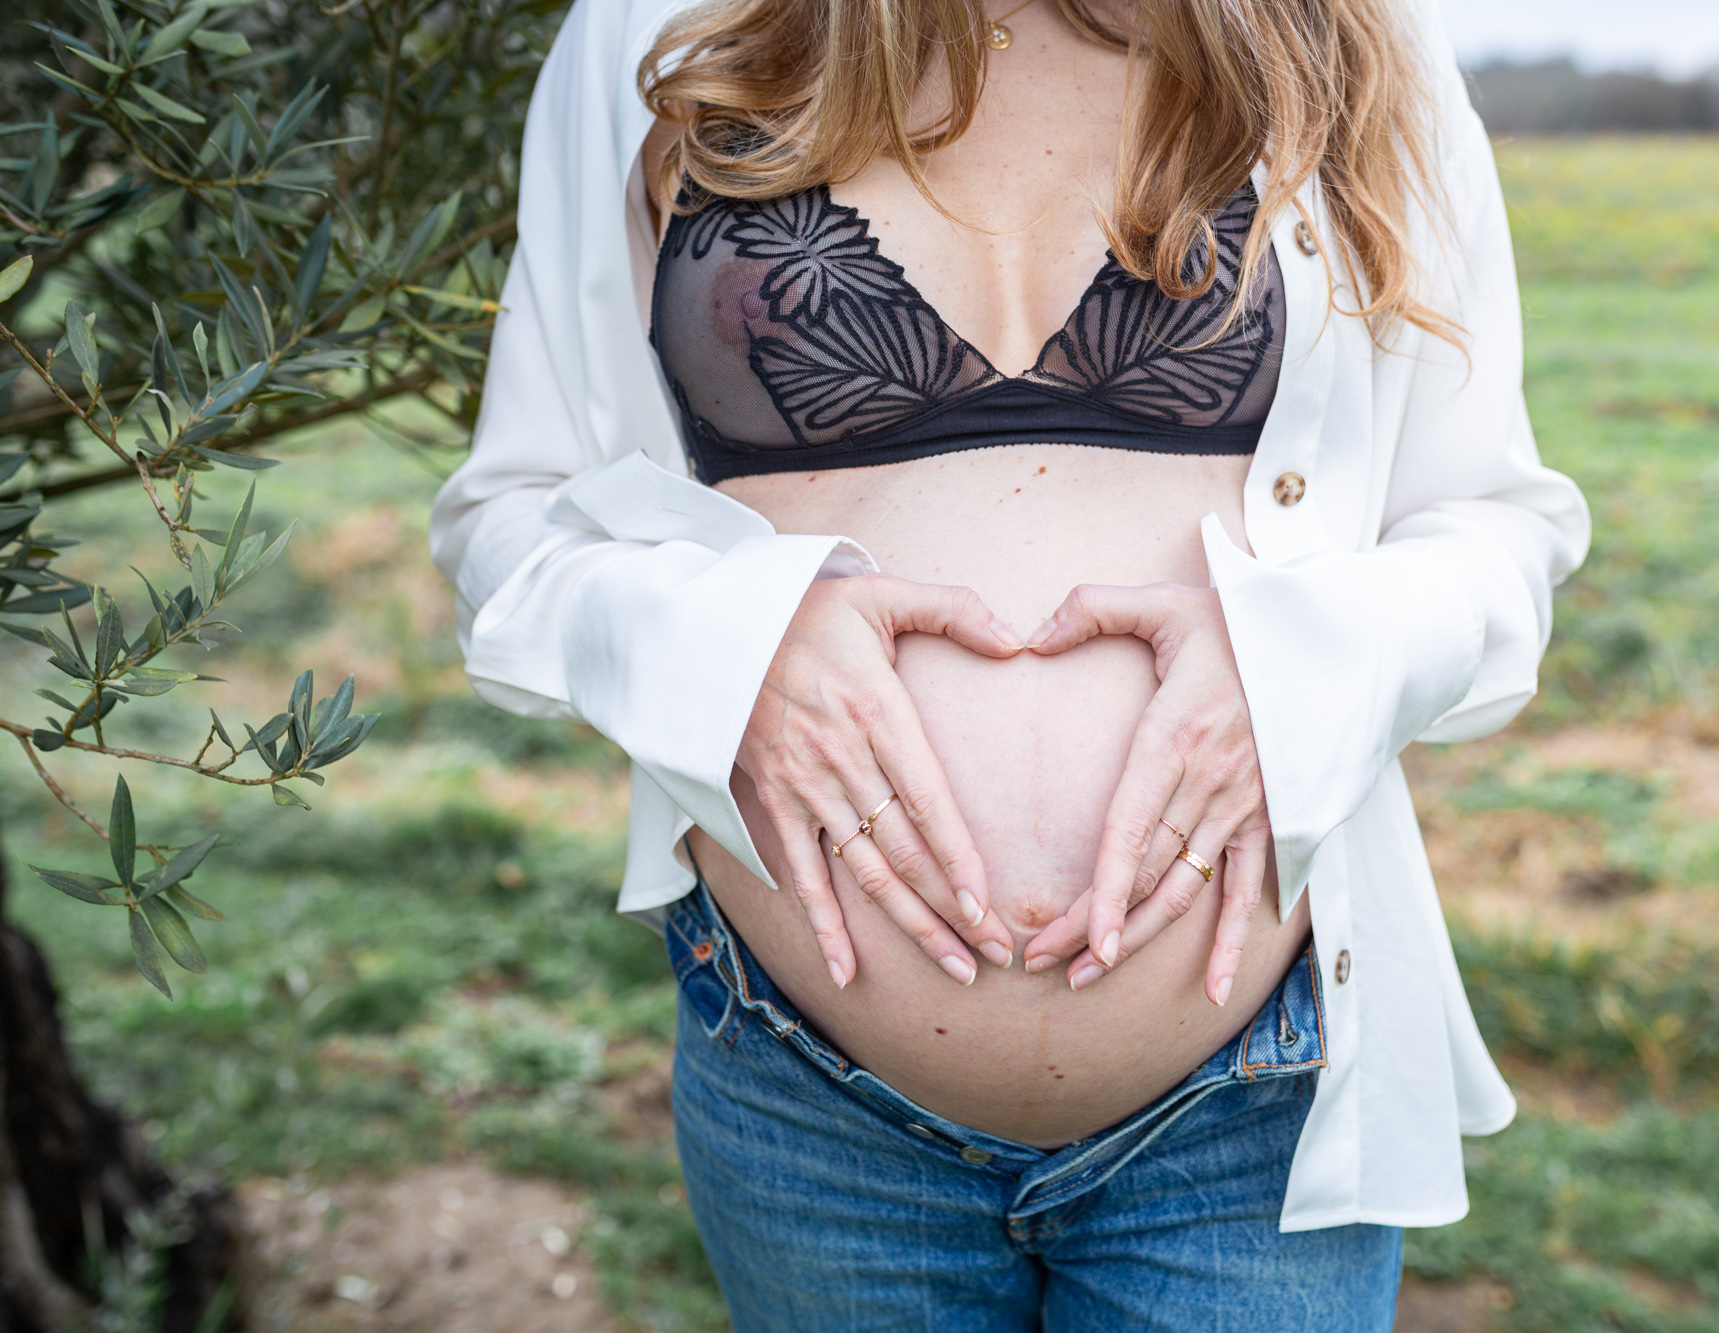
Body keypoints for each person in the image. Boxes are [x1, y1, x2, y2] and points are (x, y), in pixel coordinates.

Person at [431, 0, 1589, 1326]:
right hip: (810, 1103)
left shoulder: (1339, 30)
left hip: (1247, 1100)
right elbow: (508, 517)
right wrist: (732, 649)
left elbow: (1498, 530)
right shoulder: (656, 26)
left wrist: (1292, 667)